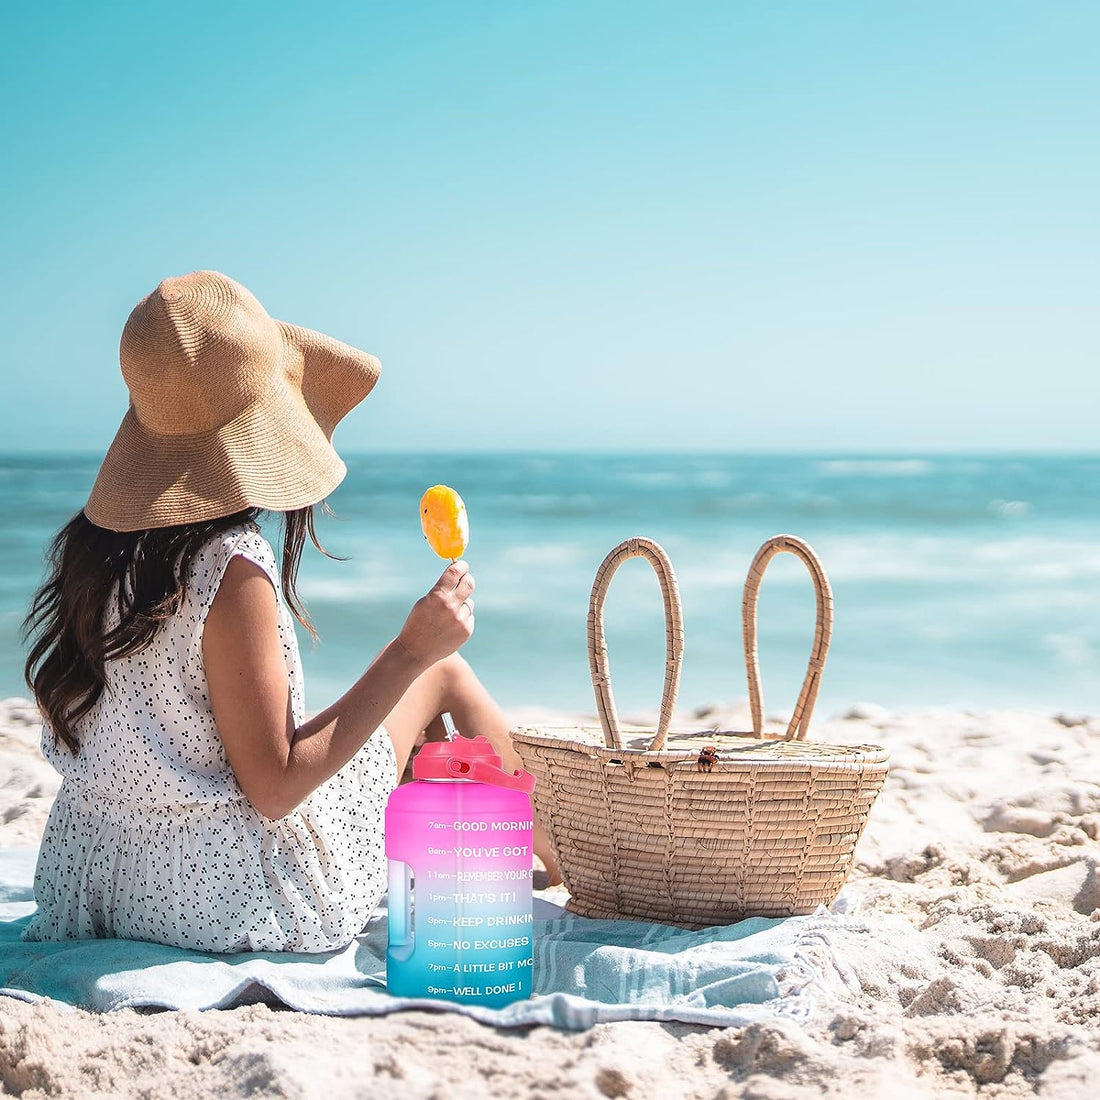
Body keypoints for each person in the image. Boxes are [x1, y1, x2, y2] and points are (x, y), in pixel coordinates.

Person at [21, 269, 562, 953]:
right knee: (441, 674)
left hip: (89, 884)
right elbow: (274, 790)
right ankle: (561, 860)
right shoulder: (228, 564)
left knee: (399, 695)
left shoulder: (94, 546)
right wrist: (411, 650)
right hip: (215, 895)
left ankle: (513, 849)